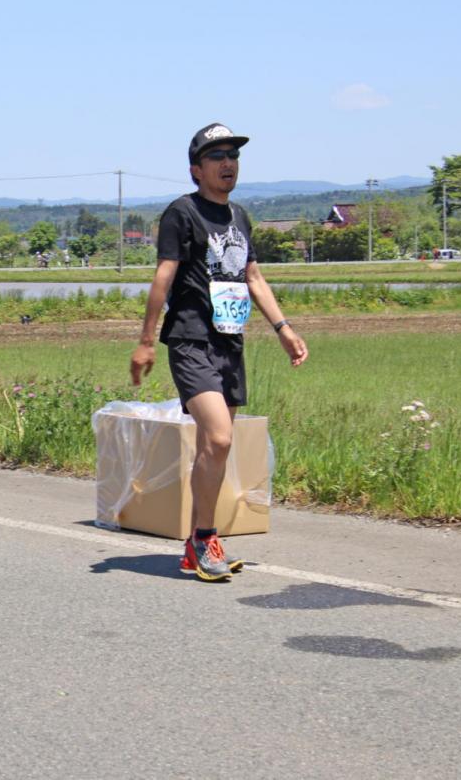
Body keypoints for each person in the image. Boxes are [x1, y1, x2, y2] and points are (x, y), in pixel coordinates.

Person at [130, 123, 307, 582]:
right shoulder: (182, 214)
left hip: (230, 340)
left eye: (233, 155)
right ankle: (205, 536)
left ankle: (196, 543)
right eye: (217, 156)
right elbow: (163, 278)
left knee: (215, 446)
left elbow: (253, 277)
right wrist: (147, 340)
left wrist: (284, 328)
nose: (228, 163)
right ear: (196, 169)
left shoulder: (240, 217)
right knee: (221, 436)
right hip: (190, 339)